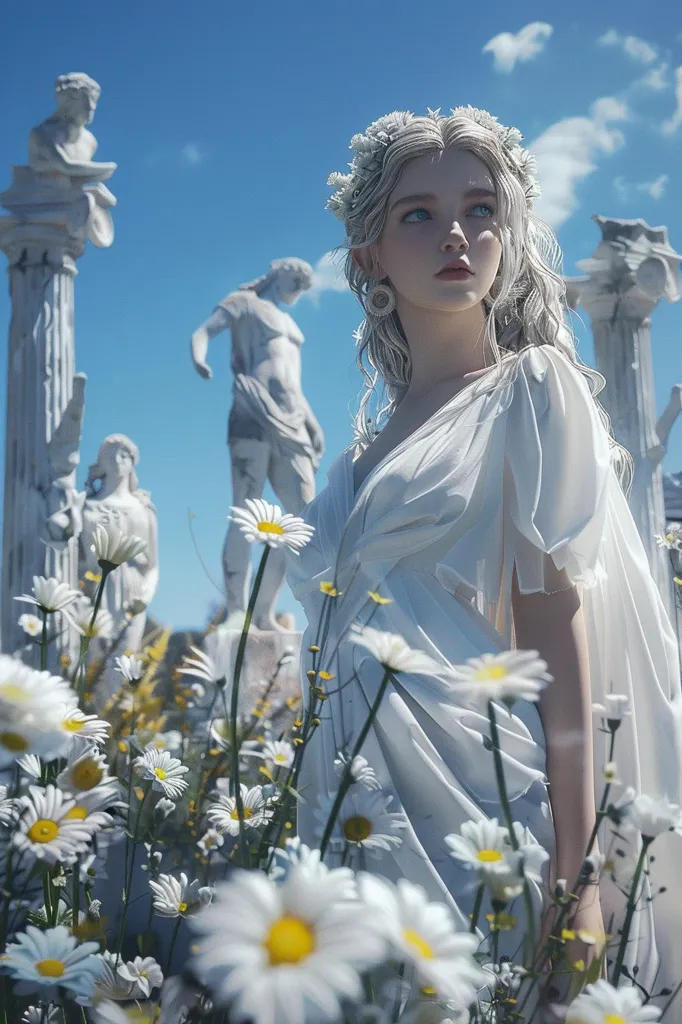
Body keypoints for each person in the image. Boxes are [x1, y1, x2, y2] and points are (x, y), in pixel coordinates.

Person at [285, 106, 682, 1000]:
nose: (457, 233)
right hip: (345, 813)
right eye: (418, 213)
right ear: (368, 258)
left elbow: (556, 636)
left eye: (480, 209)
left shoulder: (530, 395)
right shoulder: (353, 461)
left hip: (483, 807)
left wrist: (577, 881)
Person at [191, 258, 325, 632]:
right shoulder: (244, 302)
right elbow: (203, 332)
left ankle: (264, 611)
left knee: (301, 519)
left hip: (294, 420)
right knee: (245, 511)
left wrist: (311, 421)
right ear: (278, 271)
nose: (299, 287)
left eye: (304, 283)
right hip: (252, 407)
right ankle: (236, 611)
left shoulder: (289, 323)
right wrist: (199, 356)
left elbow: (291, 380)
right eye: (295, 278)